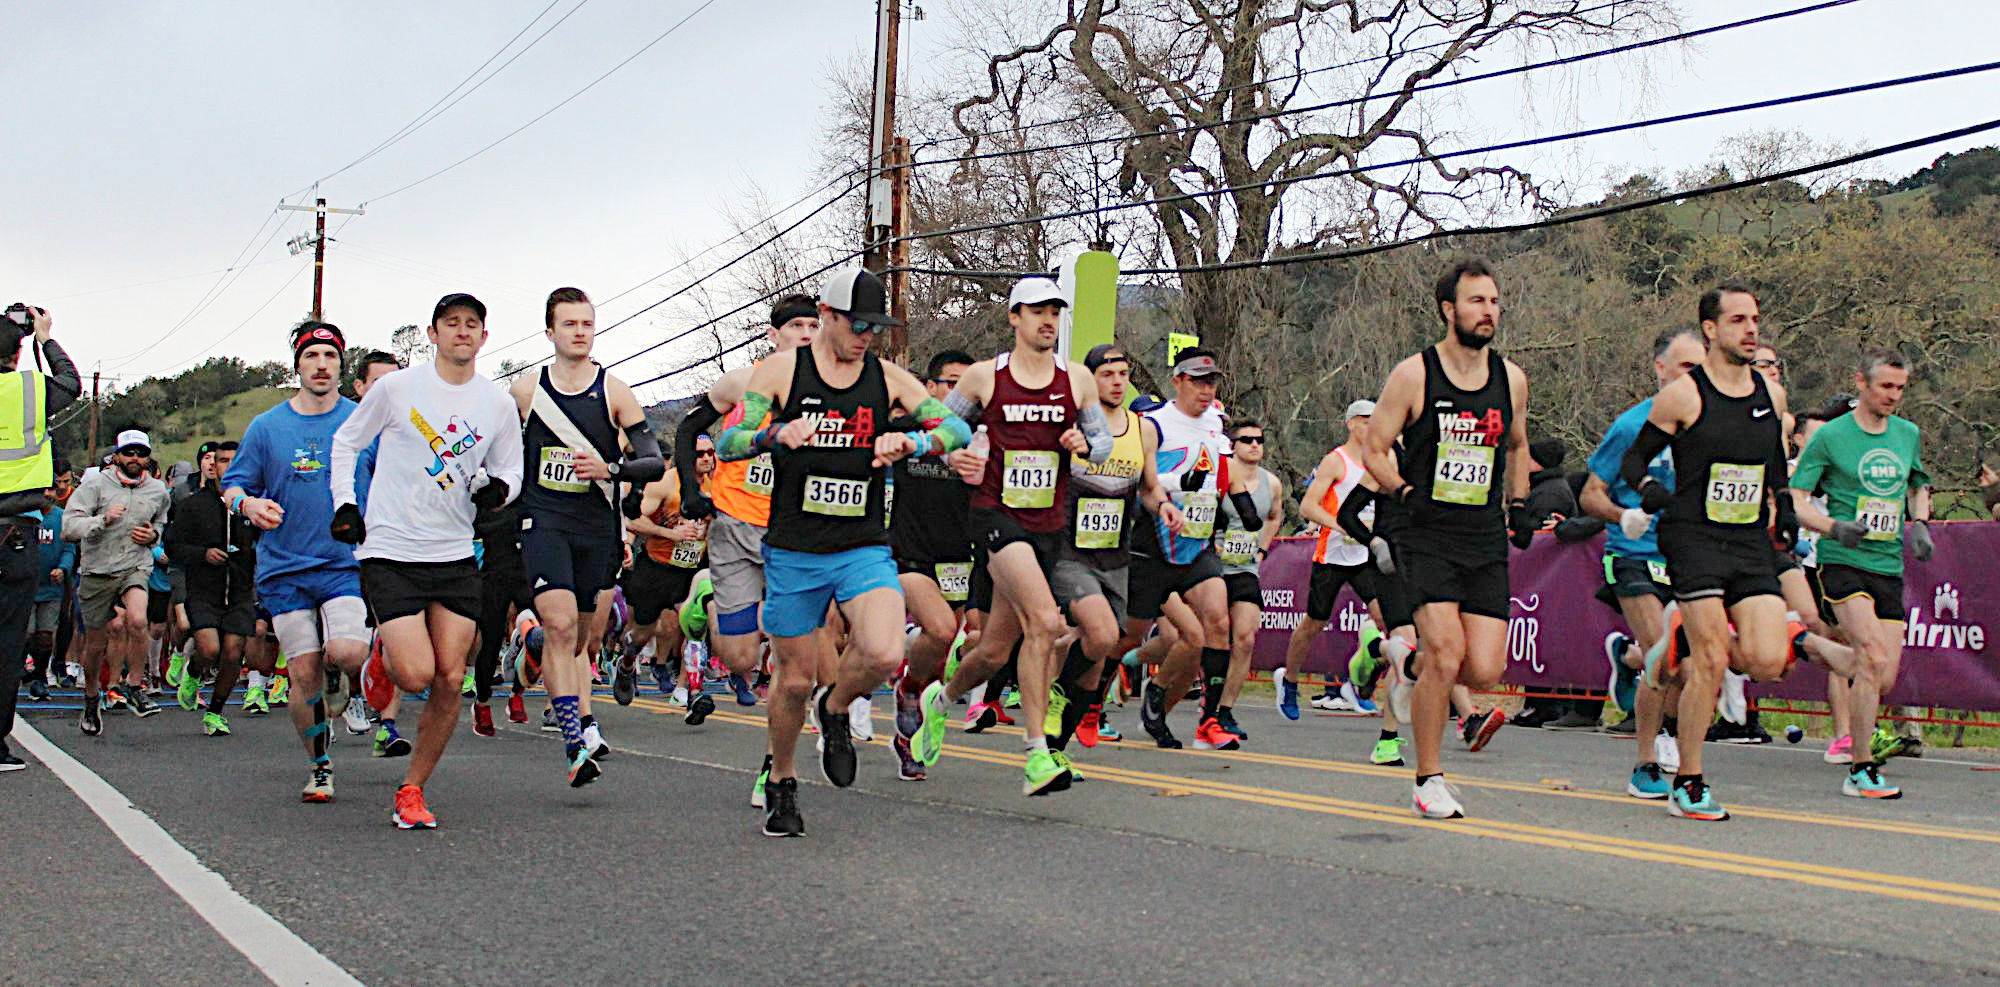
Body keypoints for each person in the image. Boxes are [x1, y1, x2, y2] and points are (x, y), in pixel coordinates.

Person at [715, 267, 968, 835]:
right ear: (826, 317)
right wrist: (773, 435)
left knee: (881, 652)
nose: (865, 337)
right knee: (793, 679)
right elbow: (728, 441)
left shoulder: (890, 380)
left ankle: (836, 708)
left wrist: (912, 440)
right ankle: (782, 781)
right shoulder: (782, 372)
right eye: (856, 325)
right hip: (794, 549)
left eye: (874, 328)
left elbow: (957, 430)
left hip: (861, 545)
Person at [918, 276, 1114, 795]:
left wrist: (1082, 442)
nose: (1047, 320)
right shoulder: (985, 377)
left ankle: (939, 700)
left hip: (1048, 523)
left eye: (1054, 310)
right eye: (1036, 311)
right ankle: (1036, 755)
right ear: (1014, 318)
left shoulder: (1077, 380)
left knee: (994, 651)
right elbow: (937, 431)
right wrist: (949, 453)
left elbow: (1101, 441)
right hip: (995, 516)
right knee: (1045, 623)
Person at [339, 293, 524, 829]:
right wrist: (346, 503)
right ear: (434, 333)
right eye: (452, 324)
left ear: (484, 337)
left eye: (472, 325)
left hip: (455, 553)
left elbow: (509, 471)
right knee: (416, 673)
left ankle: (412, 789)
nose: (462, 332)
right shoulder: (398, 388)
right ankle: (384, 658)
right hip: (392, 550)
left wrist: (498, 492)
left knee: (449, 675)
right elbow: (346, 443)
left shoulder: (496, 404)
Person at [1617, 284, 1795, 822]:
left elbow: (1775, 463)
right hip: (1693, 537)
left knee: (1767, 660)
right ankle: (1689, 780)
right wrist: (1648, 490)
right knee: (1712, 661)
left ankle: (1677, 639)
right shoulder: (1685, 396)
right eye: (1738, 319)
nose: (1750, 329)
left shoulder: (1771, 395)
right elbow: (1632, 464)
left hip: (1746, 540)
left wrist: (1783, 504)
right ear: (1711, 330)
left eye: (1755, 319)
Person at [1364, 258, 1533, 819]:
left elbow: (1515, 446)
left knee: (1485, 669)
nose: (1489, 311)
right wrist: (1406, 492)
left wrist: (1522, 503)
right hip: (1424, 529)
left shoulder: (1510, 379)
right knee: (1447, 651)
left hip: (1481, 532)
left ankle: (1406, 662)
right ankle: (1428, 778)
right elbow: (1376, 446)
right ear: (1448, 309)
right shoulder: (1415, 374)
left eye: (1494, 302)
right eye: (1476, 301)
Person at [508, 286, 664, 785]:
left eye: (587, 324)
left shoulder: (614, 391)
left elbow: (653, 459)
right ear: (550, 331)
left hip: (594, 524)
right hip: (543, 519)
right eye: (569, 324)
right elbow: (500, 452)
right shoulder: (525, 391)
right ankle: (575, 740)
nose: (579, 332)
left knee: (580, 636)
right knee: (558, 625)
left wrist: (610, 467)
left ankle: (538, 657)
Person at [676, 294, 819, 801]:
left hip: (791, 533)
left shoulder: (827, 392)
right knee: (739, 657)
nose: (806, 333)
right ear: (773, 335)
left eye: (813, 325)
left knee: (793, 662)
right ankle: (706, 605)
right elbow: (691, 426)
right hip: (735, 526)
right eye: (796, 326)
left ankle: (774, 766)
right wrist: (694, 491)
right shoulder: (742, 382)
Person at [222, 322, 372, 801]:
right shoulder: (267, 427)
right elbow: (234, 484)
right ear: (298, 367)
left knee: (348, 652)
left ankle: (338, 674)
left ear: (341, 366)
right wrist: (247, 505)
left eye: (330, 356)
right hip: (284, 567)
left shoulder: (363, 422)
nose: (322, 364)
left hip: (345, 562)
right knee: (301, 673)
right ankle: (320, 765)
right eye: (313, 356)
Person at [1791, 351, 1933, 799]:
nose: (1893, 396)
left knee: (1882, 676)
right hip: (1842, 560)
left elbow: (1917, 483)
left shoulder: (1907, 434)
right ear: (1861, 383)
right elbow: (1795, 498)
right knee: (1869, 654)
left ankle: (1805, 642)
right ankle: (1861, 766)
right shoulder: (1832, 437)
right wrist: (1834, 527)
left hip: (1887, 564)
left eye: (1900, 388)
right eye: (1885, 386)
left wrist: (1921, 522)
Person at [1581, 326, 1705, 797]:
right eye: (1687, 368)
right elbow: (1590, 494)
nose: (1696, 377)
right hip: (1634, 555)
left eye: (1703, 367)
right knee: (1665, 655)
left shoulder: (1709, 426)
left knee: (1697, 667)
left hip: (1689, 559)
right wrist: (1623, 515)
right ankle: (1645, 762)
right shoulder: (1633, 426)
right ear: (1661, 369)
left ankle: (1677, 745)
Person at [1040, 343, 1173, 758]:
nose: (1117, 382)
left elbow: (1148, 489)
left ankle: (1054, 750)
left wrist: (1164, 506)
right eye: (1107, 375)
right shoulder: (1073, 421)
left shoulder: (1141, 429)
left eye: (1123, 374)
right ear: (1089, 379)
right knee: (1099, 634)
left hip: (1115, 554)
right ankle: (1055, 693)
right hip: (1068, 548)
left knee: (1098, 658)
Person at [1127, 349, 1239, 751]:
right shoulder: (1153, 424)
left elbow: (1219, 476)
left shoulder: (1215, 423)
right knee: (1127, 636)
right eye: (1197, 381)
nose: (1206, 390)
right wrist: (1179, 487)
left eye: (1211, 382)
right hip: (1154, 540)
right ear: (1177, 381)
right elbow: (1146, 482)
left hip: (1197, 540)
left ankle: (1206, 717)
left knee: (1217, 625)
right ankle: (1087, 699)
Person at [889, 349, 976, 780]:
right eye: (950, 383)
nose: (957, 393)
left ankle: (911, 717)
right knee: (941, 628)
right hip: (910, 555)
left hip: (960, 557)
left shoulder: (977, 435)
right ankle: (906, 689)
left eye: (966, 385)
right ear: (930, 387)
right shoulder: (903, 431)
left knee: (945, 649)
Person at [0, 303, 80, 770]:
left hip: (17, 529)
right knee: (9, 642)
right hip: (16, 528)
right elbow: (70, 384)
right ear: (17, 353)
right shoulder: (30, 386)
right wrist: (45, 338)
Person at [1278, 401, 1384, 718]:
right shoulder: (1335, 461)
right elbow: (1308, 507)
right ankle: (1290, 680)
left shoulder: (1379, 461)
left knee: (1387, 620)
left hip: (1365, 554)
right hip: (1334, 552)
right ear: (1352, 424)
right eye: (1367, 421)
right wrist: (1343, 525)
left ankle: (1360, 683)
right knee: (1314, 622)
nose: (1373, 427)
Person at [64, 429, 171, 732]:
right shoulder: (94, 485)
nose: (135, 459)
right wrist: (102, 520)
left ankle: (136, 687)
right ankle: (90, 700)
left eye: (141, 453)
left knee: (138, 621)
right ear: (117, 456)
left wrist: (153, 537)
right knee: (96, 643)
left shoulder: (157, 490)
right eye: (129, 453)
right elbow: (69, 527)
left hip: (135, 565)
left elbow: (161, 523)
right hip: (98, 568)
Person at [163, 440, 254, 736]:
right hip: (204, 589)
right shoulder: (193, 505)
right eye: (222, 460)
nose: (226, 466)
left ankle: (215, 711)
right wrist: (203, 554)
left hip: (239, 589)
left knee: (232, 651)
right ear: (213, 467)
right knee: (209, 648)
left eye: (232, 460)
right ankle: (193, 670)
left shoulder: (252, 504)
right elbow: (173, 547)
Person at [619, 433, 715, 706]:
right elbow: (633, 520)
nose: (707, 458)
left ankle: (690, 690)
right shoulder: (664, 483)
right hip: (658, 568)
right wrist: (670, 534)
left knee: (695, 624)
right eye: (700, 454)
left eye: (711, 452)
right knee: (642, 632)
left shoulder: (717, 484)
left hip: (693, 569)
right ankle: (626, 663)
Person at [339, 349, 402, 739]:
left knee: (389, 633)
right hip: (339, 552)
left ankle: (389, 724)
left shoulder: (409, 432)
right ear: (359, 387)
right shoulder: (343, 432)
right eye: (379, 383)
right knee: (345, 646)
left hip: (391, 548)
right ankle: (346, 689)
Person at [1214, 418, 1284, 739]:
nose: (1255, 444)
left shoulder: (1272, 484)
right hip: (1211, 567)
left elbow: (1274, 516)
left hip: (1244, 568)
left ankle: (1224, 711)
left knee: (1245, 638)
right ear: (1233, 445)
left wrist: (1262, 551)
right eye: (1247, 440)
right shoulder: (1218, 472)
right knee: (1193, 640)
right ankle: (1147, 673)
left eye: (1259, 439)